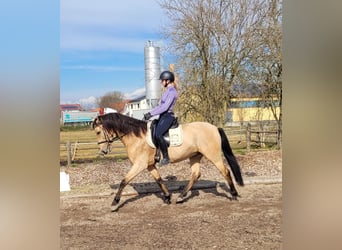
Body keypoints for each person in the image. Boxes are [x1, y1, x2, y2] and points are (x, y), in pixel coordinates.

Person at [143, 70, 178, 166]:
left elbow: (165, 107)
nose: (161, 82)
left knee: (158, 134)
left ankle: (166, 157)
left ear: (168, 80)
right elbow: (159, 106)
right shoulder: (167, 92)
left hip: (168, 116)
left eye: (162, 80)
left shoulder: (172, 92)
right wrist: (149, 113)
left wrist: (151, 114)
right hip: (163, 115)